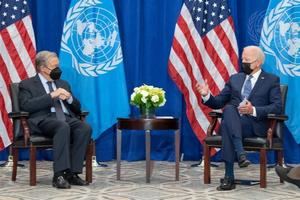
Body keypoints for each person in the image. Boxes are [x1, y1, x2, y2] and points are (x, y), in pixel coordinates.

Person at [196, 45, 282, 191]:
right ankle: (240, 154)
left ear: (258, 62)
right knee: (229, 109)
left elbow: (277, 107)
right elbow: (218, 102)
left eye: (247, 60)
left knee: (229, 122)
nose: (243, 62)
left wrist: (253, 110)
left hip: (255, 125)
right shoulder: (235, 79)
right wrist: (206, 95)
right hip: (234, 122)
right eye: (242, 59)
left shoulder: (271, 80)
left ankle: (229, 176)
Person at [19, 51, 92, 189]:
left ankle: (72, 173)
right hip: (43, 119)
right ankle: (58, 175)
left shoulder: (63, 83)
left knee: (84, 128)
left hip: (64, 117)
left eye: (58, 66)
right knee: (62, 126)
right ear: (42, 68)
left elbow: (77, 108)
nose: (58, 70)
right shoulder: (27, 84)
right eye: (54, 67)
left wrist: (69, 98)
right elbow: (26, 106)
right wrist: (52, 95)